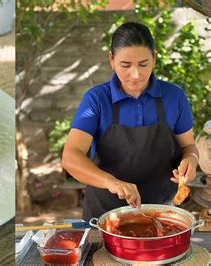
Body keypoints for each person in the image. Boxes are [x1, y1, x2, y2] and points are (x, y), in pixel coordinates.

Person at [61, 22, 200, 221]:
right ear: (111, 59)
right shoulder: (97, 99)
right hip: (105, 213)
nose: (135, 75)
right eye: (125, 65)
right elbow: (70, 157)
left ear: (154, 58)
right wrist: (112, 182)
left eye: (143, 64)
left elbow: (189, 145)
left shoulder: (174, 96)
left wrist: (191, 160)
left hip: (162, 212)